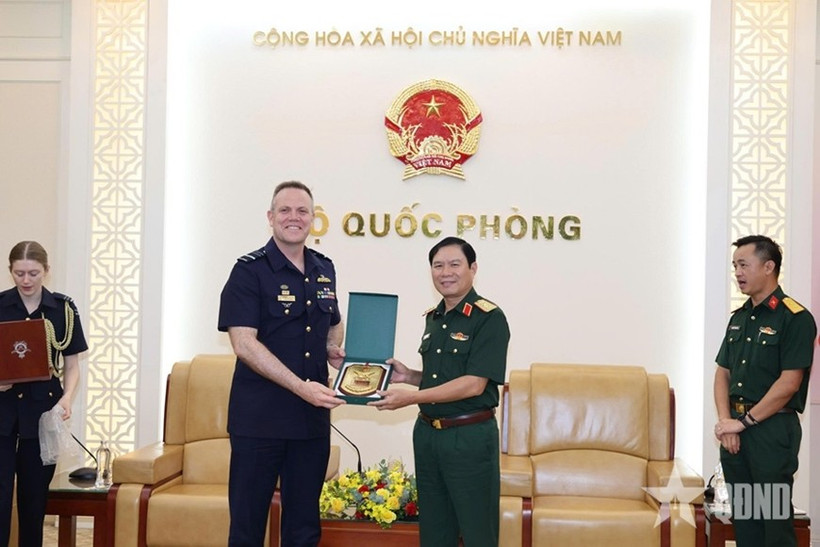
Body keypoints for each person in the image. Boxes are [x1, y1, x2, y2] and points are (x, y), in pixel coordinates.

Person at [218, 181, 346, 547]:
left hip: (310, 423)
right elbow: (244, 343)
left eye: (302, 211)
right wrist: (300, 387)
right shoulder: (248, 271)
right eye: (286, 210)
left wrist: (332, 348)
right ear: (271, 217)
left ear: (313, 219)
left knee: (304, 527)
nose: (295, 217)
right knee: (247, 526)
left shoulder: (324, 268)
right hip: (259, 421)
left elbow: (332, 321)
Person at [371, 236, 510, 547]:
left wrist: (412, 397)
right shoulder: (434, 318)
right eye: (438, 265)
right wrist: (410, 376)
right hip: (429, 436)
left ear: (473, 268)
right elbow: (442, 379)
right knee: (434, 529)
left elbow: (474, 383)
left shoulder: (489, 318)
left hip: (469, 437)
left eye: (454, 264)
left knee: (477, 532)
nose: (445, 272)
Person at [712, 235, 816, 547]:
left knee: (773, 520)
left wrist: (743, 423)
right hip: (736, 434)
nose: (738, 272)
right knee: (745, 521)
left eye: (744, 264)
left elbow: (789, 383)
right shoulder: (740, 318)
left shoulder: (795, 318)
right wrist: (726, 423)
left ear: (769, 266)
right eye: (735, 266)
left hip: (771, 432)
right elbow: (722, 374)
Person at [0, 241, 88, 547]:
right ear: (10, 270)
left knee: (34, 501)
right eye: (19, 273)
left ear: (46, 272)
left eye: (33, 273)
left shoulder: (62, 309)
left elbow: (73, 364)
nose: (26, 280)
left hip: (42, 415)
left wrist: (66, 399)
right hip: (3, 412)